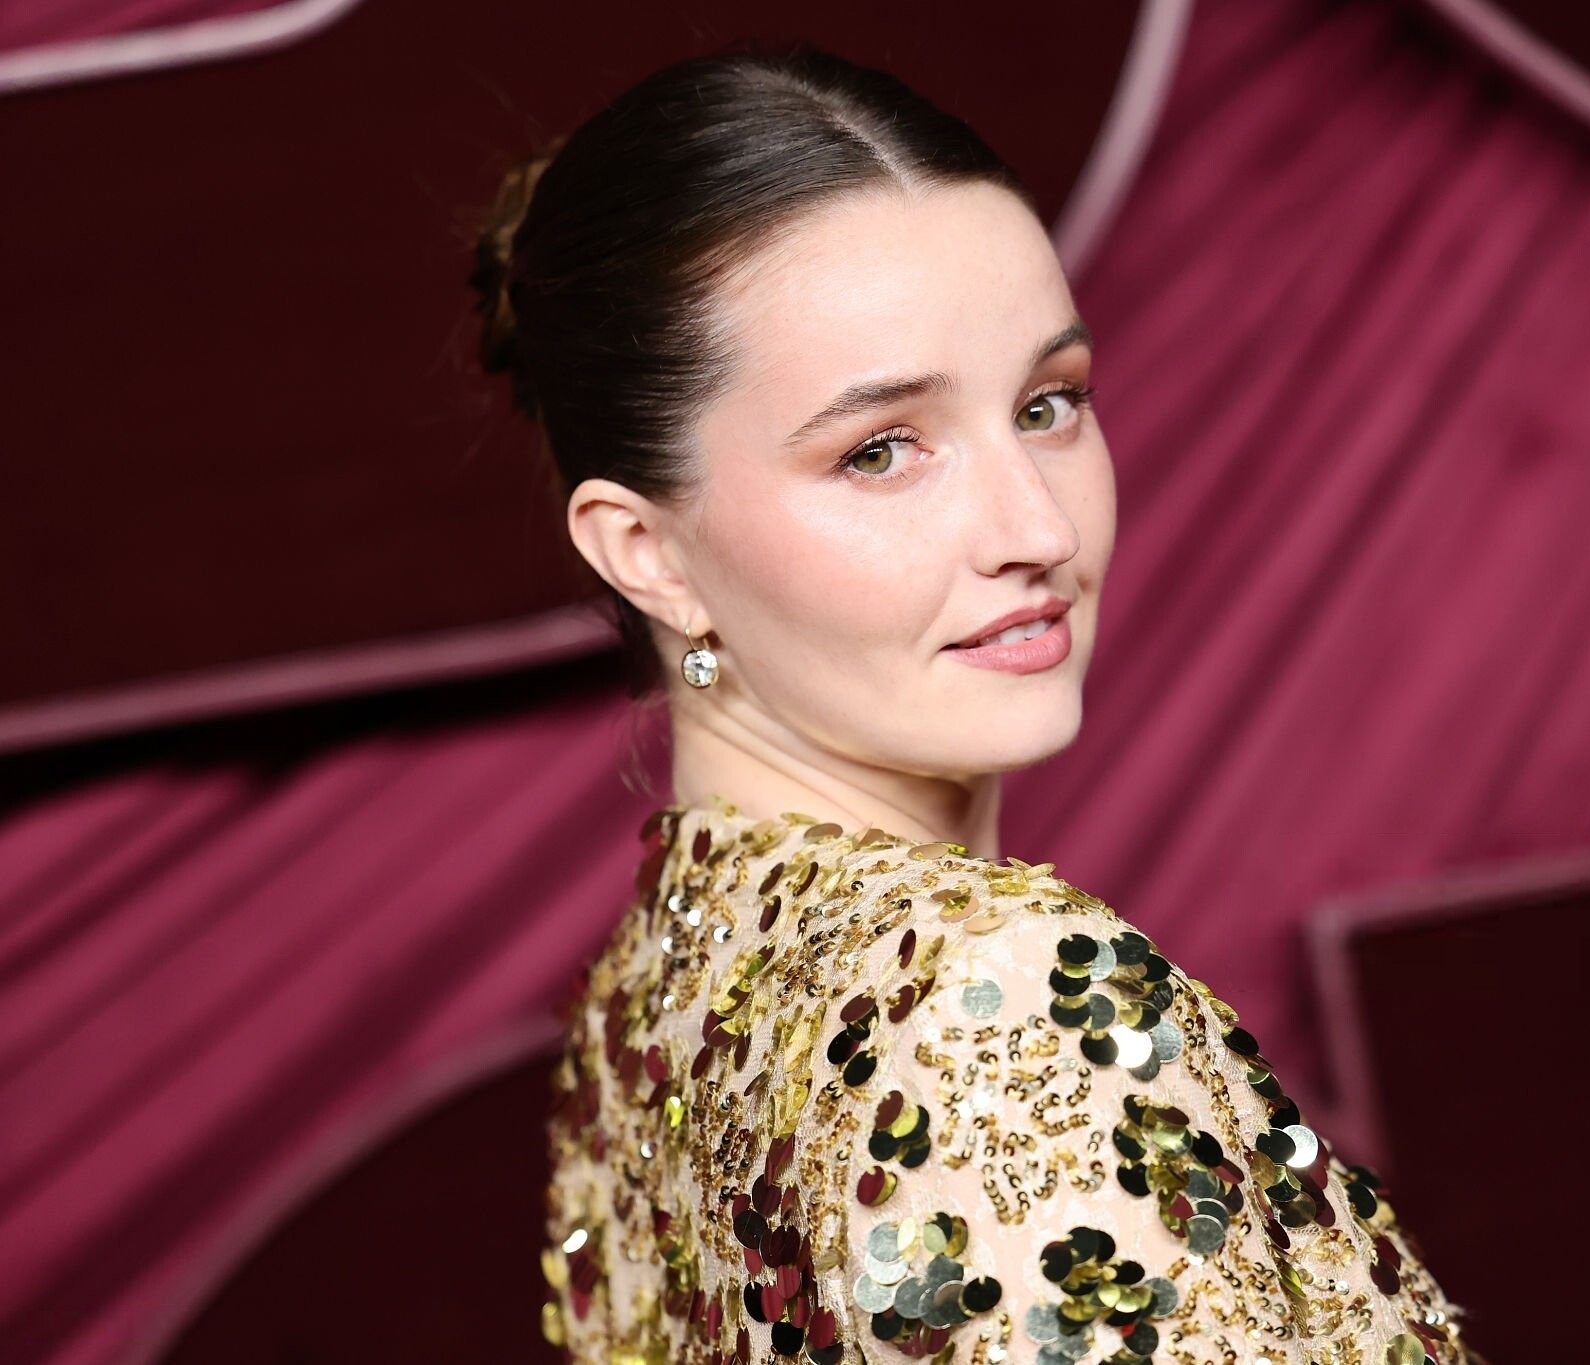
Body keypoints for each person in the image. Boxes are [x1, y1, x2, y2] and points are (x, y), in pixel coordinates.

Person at [468, 41, 1480, 1365]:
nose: (1038, 527)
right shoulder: (992, 998)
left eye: (1049, 405)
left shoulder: (650, 997)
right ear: (647, 552)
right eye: (882, 450)